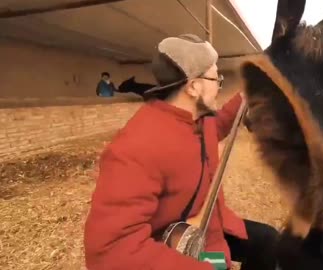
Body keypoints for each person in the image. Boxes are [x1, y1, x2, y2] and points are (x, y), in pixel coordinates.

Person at [83, 34, 279, 270]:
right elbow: (111, 250)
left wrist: (249, 90)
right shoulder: (135, 146)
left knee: (268, 241)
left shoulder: (197, 117)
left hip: (209, 228)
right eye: (217, 78)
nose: (219, 85)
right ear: (194, 86)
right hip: (181, 252)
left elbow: (216, 127)